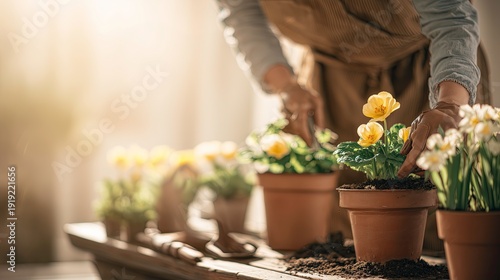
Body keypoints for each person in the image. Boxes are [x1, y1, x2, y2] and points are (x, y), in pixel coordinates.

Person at [215, 0, 490, 254]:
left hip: (430, 71)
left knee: (433, 220)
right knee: (342, 231)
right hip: (328, 78)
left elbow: (449, 17)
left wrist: (450, 105)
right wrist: (285, 84)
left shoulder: (444, 91)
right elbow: (242, 11)